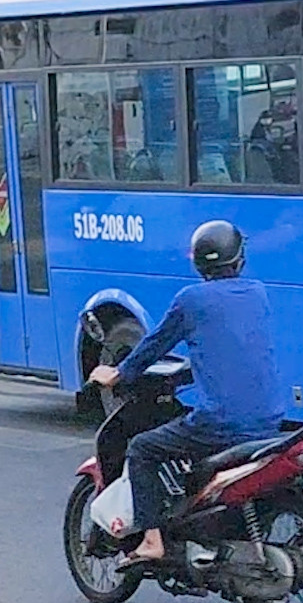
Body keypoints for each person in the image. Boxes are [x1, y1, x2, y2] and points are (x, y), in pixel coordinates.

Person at [88, 220, 285, 569]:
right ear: (239, 259)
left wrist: (118, 374)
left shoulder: (191, 300)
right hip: (271, 419)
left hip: (221, 423)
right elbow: (235, 347)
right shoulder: (258, 292)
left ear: (198, 263)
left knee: (142, 448)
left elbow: (153, 345)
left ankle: (152, 541)